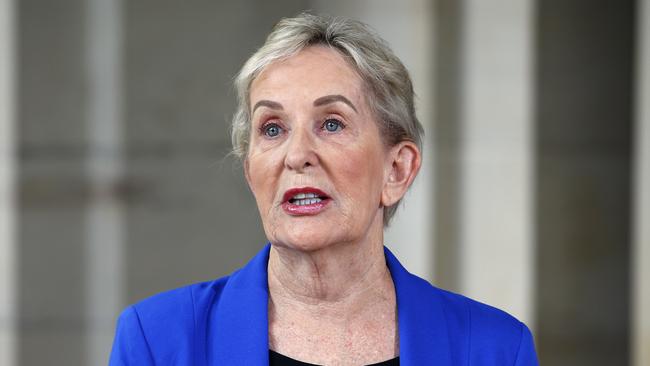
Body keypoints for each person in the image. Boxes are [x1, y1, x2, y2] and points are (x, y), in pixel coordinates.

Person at [109, 13, 538, 366]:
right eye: (272, 128)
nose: (297, 155)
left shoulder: (494, 349)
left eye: (331, 123)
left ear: (397, 170)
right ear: (250, 170)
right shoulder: (157, 340)